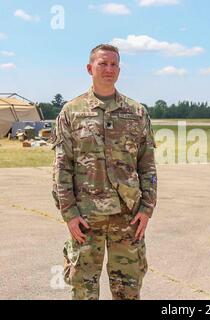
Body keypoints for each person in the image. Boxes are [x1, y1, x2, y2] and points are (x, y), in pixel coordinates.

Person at [52, 44, 157, 300]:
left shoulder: (137, 112)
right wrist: (69, 213)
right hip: (86, 219)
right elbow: (62, 167)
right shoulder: (72, 112)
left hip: (128, 218)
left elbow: (147, 164)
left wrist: (147, 208)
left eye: (113, 65)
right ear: (90, 68)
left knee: (128, 290)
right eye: (102, 64)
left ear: (119, 70)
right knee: (83, 290)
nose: (108, 69)